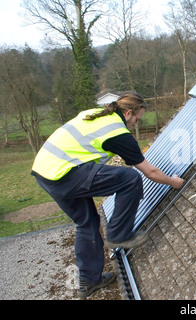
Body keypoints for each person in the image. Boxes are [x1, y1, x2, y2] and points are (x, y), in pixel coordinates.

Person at [31, 92, 184, 299]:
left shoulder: (96, 113)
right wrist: (173, 182)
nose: (135, 124)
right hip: (64, 174)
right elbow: (150, 172)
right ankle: (119, 234)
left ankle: (88, 281)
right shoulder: (118, 133)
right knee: (129, 179)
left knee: (87, 223)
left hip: (46, 172)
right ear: (128, 112)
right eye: (136, 119)